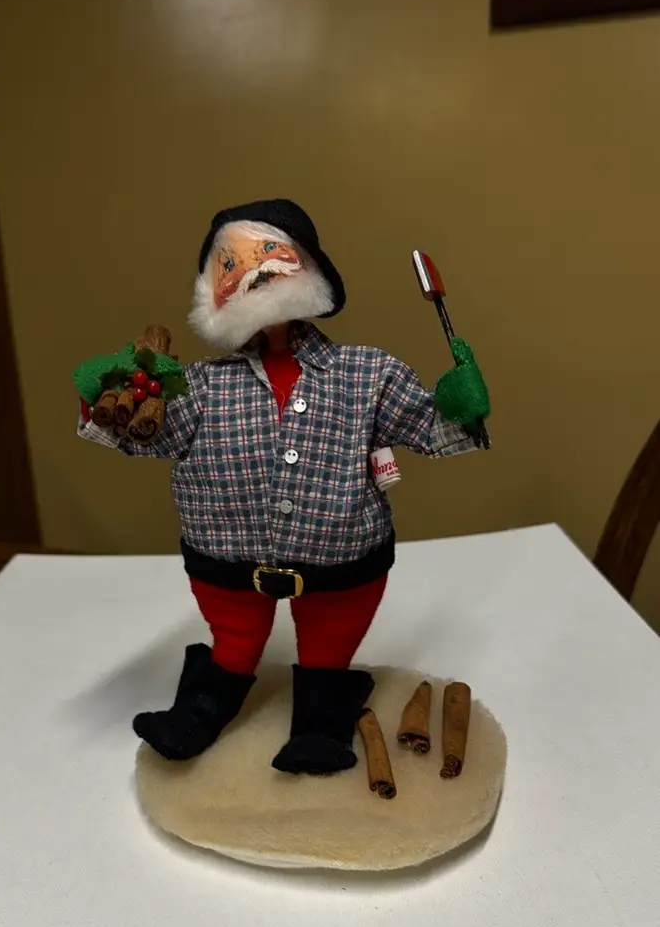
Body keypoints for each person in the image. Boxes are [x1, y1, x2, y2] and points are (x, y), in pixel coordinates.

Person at [75, 199, 490, 775]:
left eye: (271, 252)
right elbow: (147, 433)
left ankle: (322, 720)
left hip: (343, 563)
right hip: (225, 562)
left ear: (311, 267)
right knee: (233, 642)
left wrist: (459, 407)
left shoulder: (370, 375)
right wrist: (103, 399)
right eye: (230, 264)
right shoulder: (198, 386)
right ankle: (206, 700)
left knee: (329, 647)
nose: (252, 271)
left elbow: (427, 428)